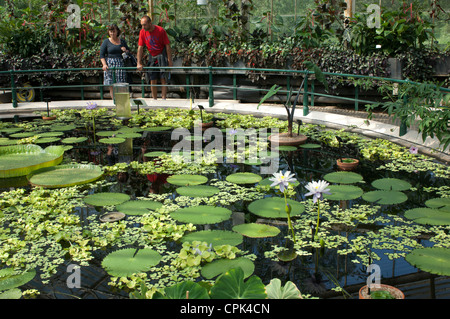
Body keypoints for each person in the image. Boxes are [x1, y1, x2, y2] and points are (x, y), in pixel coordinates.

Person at [137, 15, 173, 100]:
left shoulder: (160, 30)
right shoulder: (142, 32)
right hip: (152, 57)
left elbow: (167, 45)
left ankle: (163, 99)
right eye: (142, 25)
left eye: (145, 25)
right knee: (152, 79)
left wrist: (169, 60)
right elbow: (140, 47)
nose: (143, 27)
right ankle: (154, 99)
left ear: (150, 23)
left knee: (163, 78)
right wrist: (138, 62)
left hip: (161, 55)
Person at [100, 24, 131, 99]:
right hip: (110, 64)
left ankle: (122, 100)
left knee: (121, 83)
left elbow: (128, 52)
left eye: (114, 31)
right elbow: (102, 55)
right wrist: (104, 65)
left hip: (120, 63)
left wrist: (125, 50)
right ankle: (114, 100)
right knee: (112, 84)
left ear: (117, 32)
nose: (112, 33)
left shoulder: (122, 41)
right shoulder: (106, 42)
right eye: (110, 31)